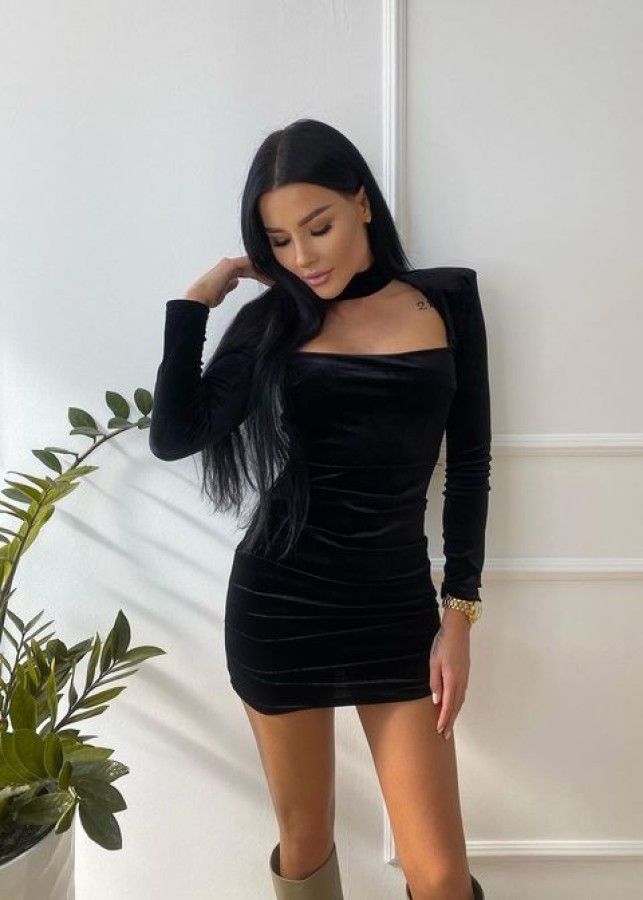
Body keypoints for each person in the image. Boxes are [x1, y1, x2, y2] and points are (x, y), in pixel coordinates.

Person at [149, 118, 490, 900]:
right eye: (280, 241)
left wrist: (459, 615)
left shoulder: (445, 302)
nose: (303, 257)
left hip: (393, 608)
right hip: (281, 605)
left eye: (318, 226)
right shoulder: (274, 321)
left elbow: (468, 463)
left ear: (361, 203)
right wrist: (194, 303)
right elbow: (175, 435)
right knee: (305, 842)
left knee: (439, 874)